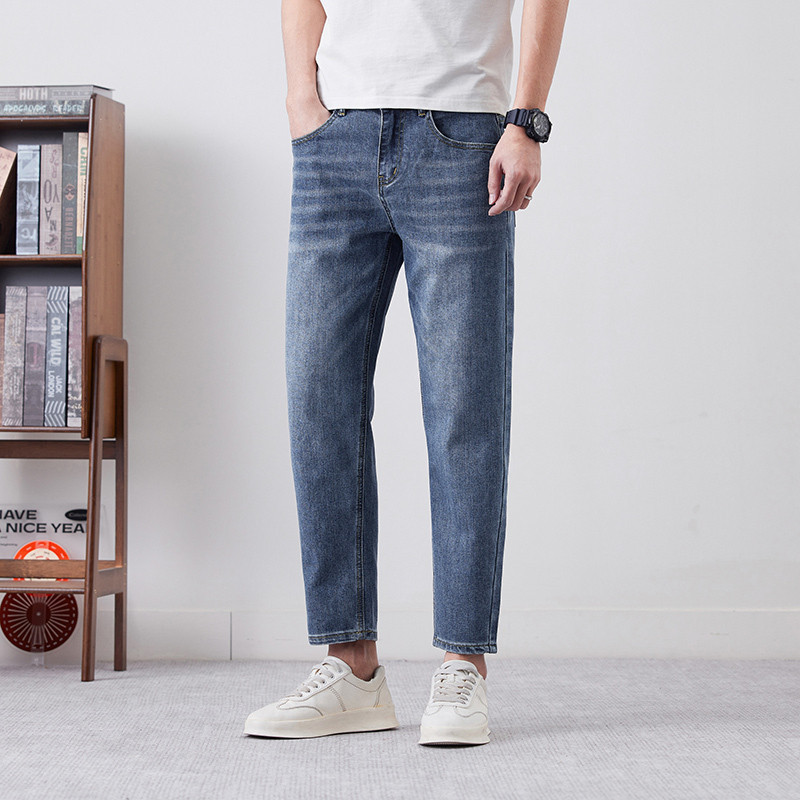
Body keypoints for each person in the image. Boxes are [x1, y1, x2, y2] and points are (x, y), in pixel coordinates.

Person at [245, 0, 570, 746]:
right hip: (335, 138)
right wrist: (301, 101)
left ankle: (463, 663)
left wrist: (526, 121)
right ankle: (351, 667)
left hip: (463, 134)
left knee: (464, 409)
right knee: (317, 401)